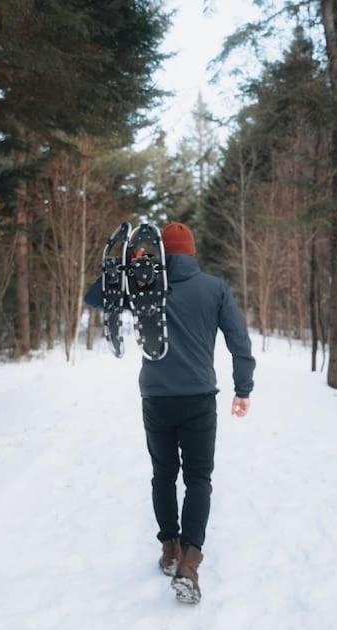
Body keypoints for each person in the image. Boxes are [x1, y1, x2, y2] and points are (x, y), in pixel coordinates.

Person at [85, 222, 255, 604]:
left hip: (156, 398)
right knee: (198, 478)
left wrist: (126, 267)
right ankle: (190, 561)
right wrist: (243, 388)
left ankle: (168, 548)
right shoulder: (214, 288)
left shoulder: (145, 284)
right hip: (198, 398)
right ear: (191, 252)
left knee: (163, 474)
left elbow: (96, 298)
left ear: (161, 251)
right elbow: (239, 341)